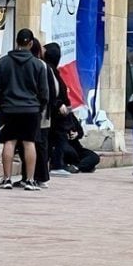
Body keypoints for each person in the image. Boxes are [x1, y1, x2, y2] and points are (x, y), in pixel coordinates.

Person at [0, 28, 49, 191]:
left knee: (9, 142)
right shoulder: (38, 65)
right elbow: (44, 92)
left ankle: (6, 178)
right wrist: (39, 107)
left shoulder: (3, 62)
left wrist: (1, 106)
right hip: (31, 109)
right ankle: (30, 180)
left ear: (16, 42)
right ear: (31, 44)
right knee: (29, 143)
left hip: (9, 109)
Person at [43, 42, 74, 179]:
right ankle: (55, 164)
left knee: (57, 138)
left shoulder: (52, 70)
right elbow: (52, 91)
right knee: (57, 138)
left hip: (57, 112)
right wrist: (59, 104)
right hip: (55, 112)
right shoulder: (49, 70)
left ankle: (55, 163)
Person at [29, 39, 58, 189]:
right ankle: (37, 176)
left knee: (35, 144)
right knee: (39, 145)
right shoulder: (42, 66)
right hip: (41, 111)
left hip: (37, 111)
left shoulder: (41, 66)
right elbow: (53, 90)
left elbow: (51, 90)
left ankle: (36, 176)